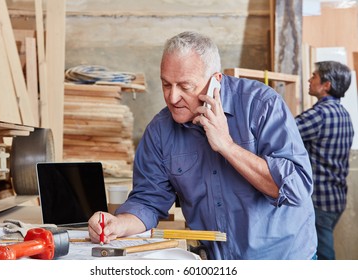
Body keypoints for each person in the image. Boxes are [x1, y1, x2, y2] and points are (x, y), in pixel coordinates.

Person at [88, 31, 317, 260]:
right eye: (166, 84)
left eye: (185, 86)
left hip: (284, 260)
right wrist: (118, 224)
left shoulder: (261, 105)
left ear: (215, 80)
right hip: (217, 262)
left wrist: (227, 146)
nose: (173, 97)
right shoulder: (159, 131)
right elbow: (147, 201)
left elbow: (296, 189)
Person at [295, 61, 354, 260]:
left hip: (319, 201)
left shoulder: (319, 115)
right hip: (336, 198)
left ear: (326, 85)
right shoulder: (344, 114)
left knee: (323, 256)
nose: (310, 80)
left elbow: (282, 133)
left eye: (314, 76)